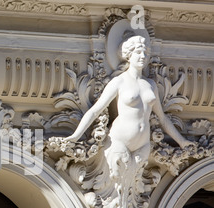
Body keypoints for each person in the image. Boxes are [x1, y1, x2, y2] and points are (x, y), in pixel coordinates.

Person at [64, 35, 192, 178]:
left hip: (143, 145)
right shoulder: (119, 81)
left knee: (131, 188)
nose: (143, 56)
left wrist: (182, 141)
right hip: (119, 141)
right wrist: (76, 135)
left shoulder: (151, 84)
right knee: (117, 185)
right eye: (138, 52)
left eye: (145, 52)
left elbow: (162, 118)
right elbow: (95, 110)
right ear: (128, 55)